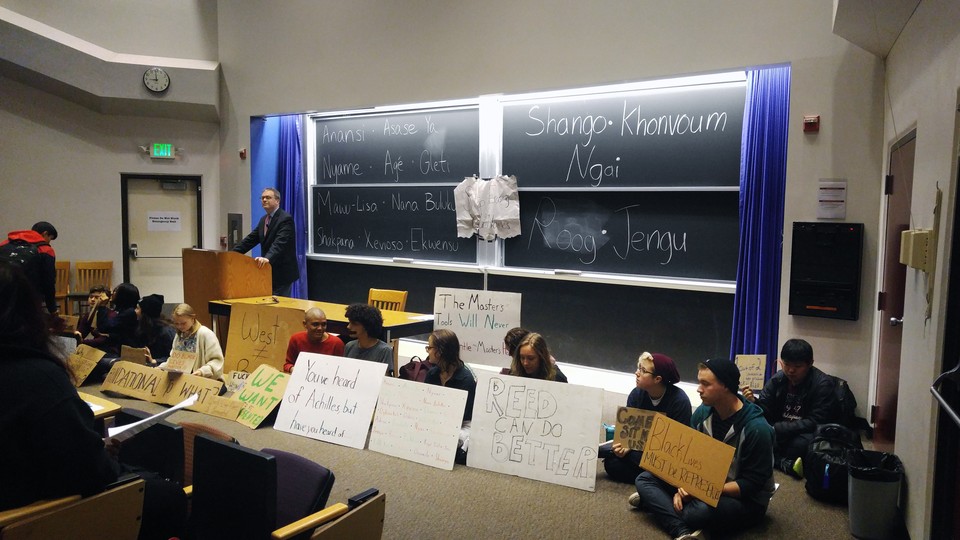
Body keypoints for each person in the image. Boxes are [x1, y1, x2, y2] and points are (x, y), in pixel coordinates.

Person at [0, 261, 185, 540]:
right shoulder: (38, 377)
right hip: (35, 512)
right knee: (169, 494)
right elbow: (90, 472)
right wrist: (100, 451)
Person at [633, 359, 775, 539]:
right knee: (645, 479)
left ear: (725, 386)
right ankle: (681, 530)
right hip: (703, 482)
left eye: (705, 384)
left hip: (742, 498)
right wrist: (682, 488)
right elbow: (688, 458)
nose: (699, 389)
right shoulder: (702, 413)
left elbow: (752, 484)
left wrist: (699, 492)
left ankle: (659, 506)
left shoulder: (757, 429)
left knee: (698, 512)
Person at [742, 338, 841, 478]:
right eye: (786, 364)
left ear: (810, 364)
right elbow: (766, 410)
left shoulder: (822, 385)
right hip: (780, 428)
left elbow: (816, 421)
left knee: (799, 445)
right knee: (752, 432)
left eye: (797, 366)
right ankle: (783, 462)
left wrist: (777, 429)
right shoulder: (778, 379)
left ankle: (775, 458)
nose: (790, 370)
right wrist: (754, 402)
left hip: (805, 431)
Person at [600, 352, 692, 484]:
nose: (637, 373)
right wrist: (625, 446)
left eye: (643, 370)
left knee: (663, 466)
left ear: (657, 379)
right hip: (640, 453)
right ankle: (653, 482)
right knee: (612, 464)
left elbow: (679, 446)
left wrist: (633, 449)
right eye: (638, 368)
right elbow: (629, 433)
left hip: (664, 456)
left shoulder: (679, 401)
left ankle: (652, 482)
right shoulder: (636, 394)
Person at [231, 187, 299, 296]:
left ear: (277, 201)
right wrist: (232, 254)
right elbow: (250, 240)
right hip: (266, 273)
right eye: (262, 198)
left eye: (268, 197)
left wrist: (267, 258)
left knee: (279, 307)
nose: (264, 200)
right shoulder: (264, 219)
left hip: (282, 273)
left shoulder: (285, 219)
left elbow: (280, 243)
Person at [423, 329, 477, 464]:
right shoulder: (432, 374)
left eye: (429, 348)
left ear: (440, 351)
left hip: (461, 424)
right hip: (439, 420)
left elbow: (465, 416)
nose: (427, 351)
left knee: (458, 438)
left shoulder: (466, 379)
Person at [0, 221, 58, 315]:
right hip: (29, 299)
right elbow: (49, 282)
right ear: (45, 234)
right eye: (50, 239)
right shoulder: (45, 250)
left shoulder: (4, 245)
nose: (48, 242)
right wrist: (52, 308)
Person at [164, 303, 223, 379]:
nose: (179, 326)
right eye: (176, 323)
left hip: (206, 379)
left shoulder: (205, 334)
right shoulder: (179, 336)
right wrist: (161, 367)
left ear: (192, 319)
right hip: (184, 379)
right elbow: (174, 360)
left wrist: (202, 371)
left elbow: (217, 360)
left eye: (183, 323)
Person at [82, 283, 140, 356]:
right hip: (118, 349)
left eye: (116, 291)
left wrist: (102, 306)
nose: (112, 293)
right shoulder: (122, 311)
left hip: (128, 353)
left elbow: (104, 328)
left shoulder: (129, 313)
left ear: (123, 296)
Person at [283, 307, 345, 373]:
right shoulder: (296, 339)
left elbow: (341, 370)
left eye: (323, 324)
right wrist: (293, 369)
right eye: (315, 324)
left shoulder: (337, 343)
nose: (320, 328)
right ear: (305, 324)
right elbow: (288, 364)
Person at [343, 303, 394, 376]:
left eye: (354, 323)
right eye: (349, 322)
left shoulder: (384, 351)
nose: (348, 326)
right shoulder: (349, 346)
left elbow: (385, 381)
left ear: (367, 326)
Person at [136, 293, 175, 365]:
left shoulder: (165, 332)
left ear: (145, 313)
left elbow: (172, 357)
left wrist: (154, 361)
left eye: (138, 308)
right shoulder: (144, 329)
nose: (135, 311)